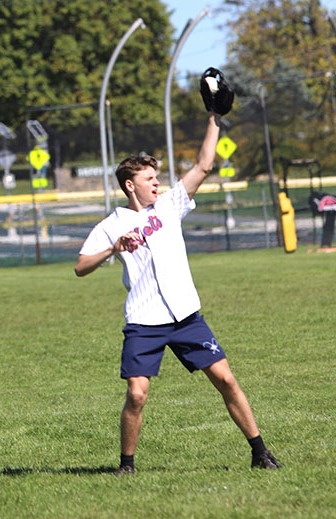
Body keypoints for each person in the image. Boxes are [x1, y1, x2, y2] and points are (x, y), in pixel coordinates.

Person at [75, 85, 281, 475]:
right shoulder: (112, 225)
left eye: (157, 177)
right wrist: (112, 249)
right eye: (149, 178)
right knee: (136, 394)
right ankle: (126, 466)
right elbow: (81, 266)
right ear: (129, 185)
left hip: (186, 315)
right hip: (144, 321)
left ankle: (260, 452)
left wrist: (213, 119)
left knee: (226, 379)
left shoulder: (169, 205)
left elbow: (204, 164)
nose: (157, 182)